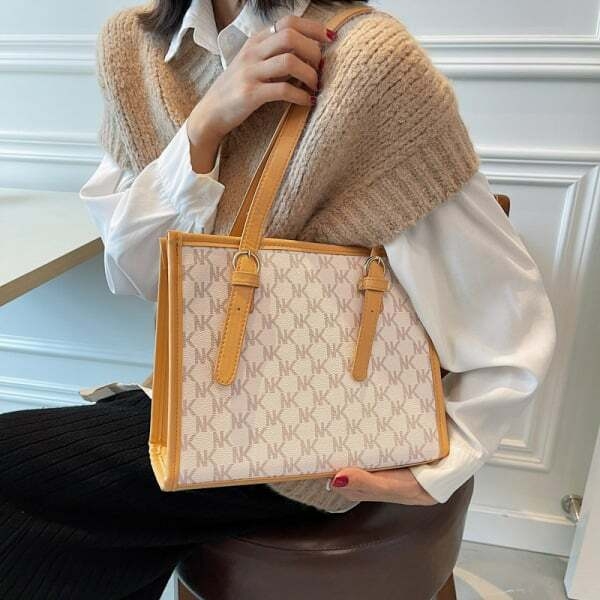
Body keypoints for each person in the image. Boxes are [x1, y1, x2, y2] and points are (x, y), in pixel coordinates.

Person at [0, 0, 556, 598]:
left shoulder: (369, 63)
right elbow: (138, 275)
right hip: (201, 396)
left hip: (318, 431)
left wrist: (439, 468)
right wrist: (204, 127)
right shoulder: (132, 47)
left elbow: (506, 308)